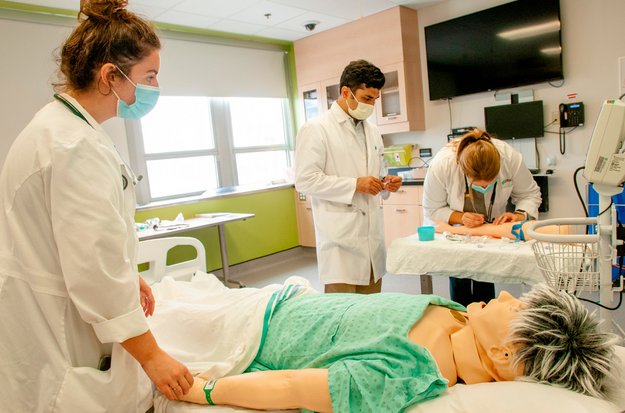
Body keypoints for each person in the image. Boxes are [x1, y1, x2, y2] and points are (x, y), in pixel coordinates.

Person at [0, 1, 193, 411]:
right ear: (110, 76)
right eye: (150, 76)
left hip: (46, 317)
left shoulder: (58, 129)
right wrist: (153, 356)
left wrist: (125, 272)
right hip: (62, 339)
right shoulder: (74, 146)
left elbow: (82, 243)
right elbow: (93, 269)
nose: (155, 87)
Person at [148, 274, 619, 412]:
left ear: (504, 354)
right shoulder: (457, 315)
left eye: (516, 309)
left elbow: (293, 387)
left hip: (248, 333)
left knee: (136, 324)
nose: (509, 296)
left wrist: (204, 391)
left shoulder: (413, 370)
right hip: (272, 300)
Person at [294, 59, 402, 294]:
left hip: (371, 238)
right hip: (340, 239)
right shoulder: (316, 128)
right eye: (366, 98)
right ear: (346, 92)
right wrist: (355, 185)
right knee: (342, 314)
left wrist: (385, 183)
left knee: (370, 311)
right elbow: (305, 180)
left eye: (375, 99)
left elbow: (377, 171)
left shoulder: (372, 130)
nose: (372, 105)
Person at [423, 128, 542, 306]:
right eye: (476, 184)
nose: (484, 188)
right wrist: (460, 217)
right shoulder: (443, 164)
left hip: (492, 230)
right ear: (463, 170)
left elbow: (530, 195)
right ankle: (462, 319)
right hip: (457, 230)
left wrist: (519, 214)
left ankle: (485, 317)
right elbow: (433, 209)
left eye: (490, 183)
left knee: (487, 271)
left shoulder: (510, 158)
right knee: (459, 274)